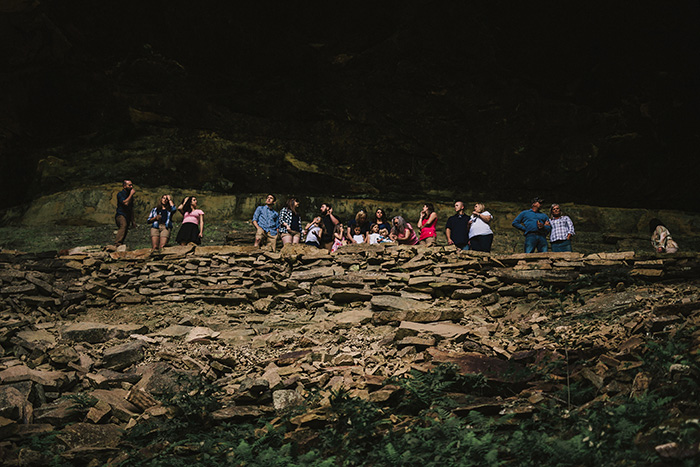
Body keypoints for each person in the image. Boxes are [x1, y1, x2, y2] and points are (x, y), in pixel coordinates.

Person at [115, 180, 135, 246]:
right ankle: (117, 243)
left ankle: (121, 243)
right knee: (123, 225)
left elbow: (131, 208)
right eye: (129, 185)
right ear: (124, 186)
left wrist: (133, 221)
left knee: (126, 229)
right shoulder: (120, 194)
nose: (131, 187)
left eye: (131, 185)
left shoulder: (130, 196)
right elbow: (125, 203)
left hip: (127, 215)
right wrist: (131, 194)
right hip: (120, 214)